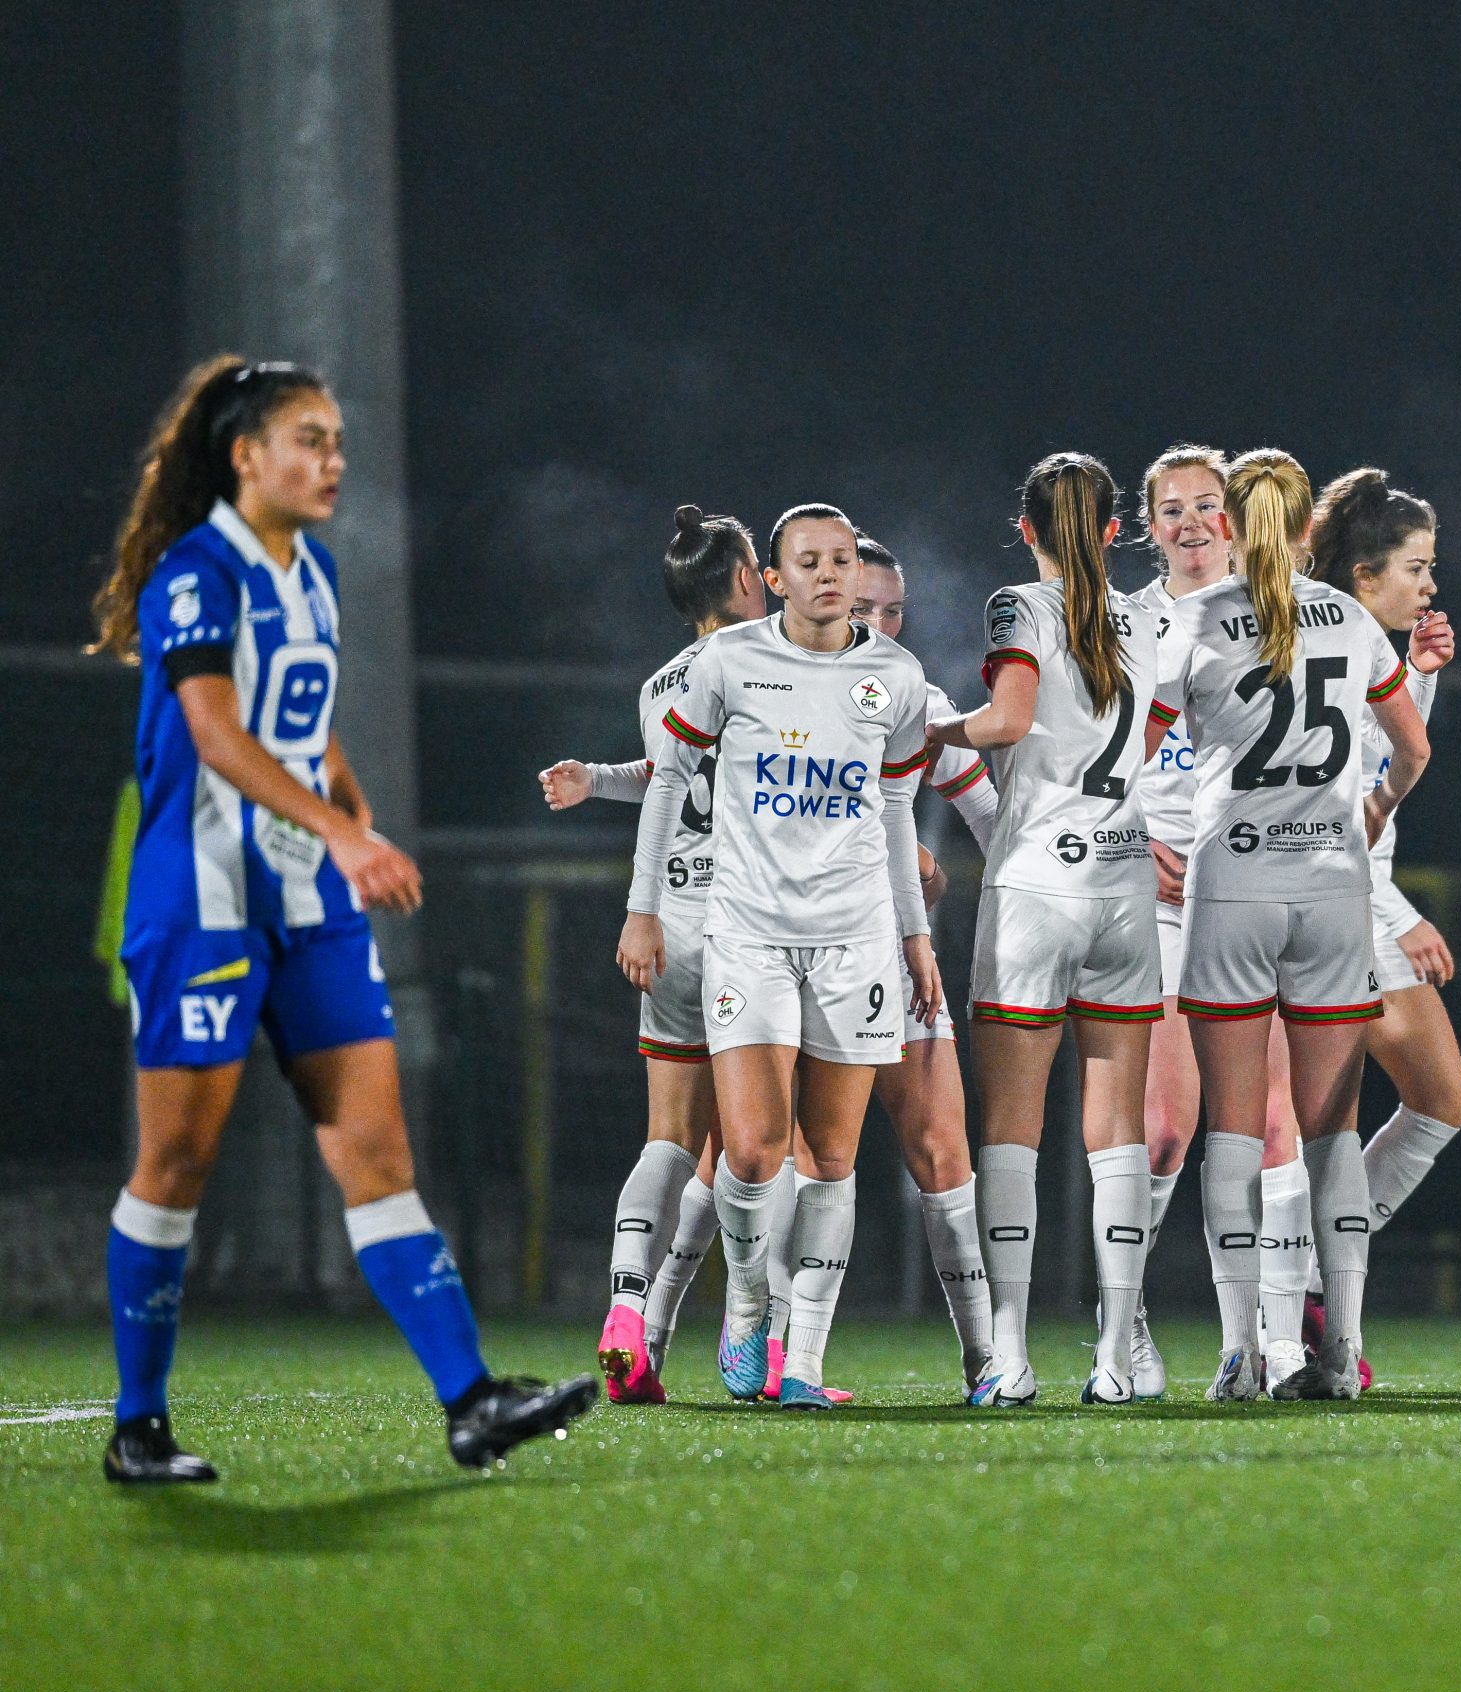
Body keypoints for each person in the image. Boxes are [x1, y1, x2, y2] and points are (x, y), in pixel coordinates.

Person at [89, 354, 596, 1480]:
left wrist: (354, 816)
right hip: (204, 904)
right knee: (176, 1163)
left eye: (336, 441)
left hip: (309, 906)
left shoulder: (308, 573)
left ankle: (470, 1402)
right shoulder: (196, 571)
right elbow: (217, 732)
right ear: (245, 456)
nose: (333, 461)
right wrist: (344, 832)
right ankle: (138, 1427)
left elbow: (300, 718)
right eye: (309, 440)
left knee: (378, 1153)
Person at [619, 504, 936, 1410]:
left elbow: (896, 811)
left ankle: (803, 1365)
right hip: (748, 937)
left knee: (831, 1157)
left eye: (840, 559)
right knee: (754, 1155)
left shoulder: (896, 678)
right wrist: (644, 912)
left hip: (857, 943)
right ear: (776, 576)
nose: (830, 575)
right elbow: (669, 779)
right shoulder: (730, 662)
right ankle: (750, 1300)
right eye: (809, 561)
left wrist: (914, 938)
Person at [1149, 448, 1431, 1400]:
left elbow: (1133, 750)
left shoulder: (1194, 618)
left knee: (1231, 1131)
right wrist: (1375, 808)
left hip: (1230, 882)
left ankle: (1241, 1352)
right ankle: (1341, 1356)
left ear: (1229, 523)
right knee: (1329, 1132)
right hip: (1331, 885)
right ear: (1310, 529)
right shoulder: (1350, 618)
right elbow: (1413, 745)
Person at [921, 455, 1162, 1408]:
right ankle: (1115, 1358)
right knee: (1119, 1139)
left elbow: (1008, 719)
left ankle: (1011, 1356)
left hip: (1036, 883)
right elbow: (1154, 734)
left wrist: (929, 726)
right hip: (1126, 879)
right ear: (1113, 532)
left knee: (1012, 1132)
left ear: (1026, 529)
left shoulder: (1021, 604)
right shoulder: (1148, 616)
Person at [537, 506, 764, 1404]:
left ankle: (631, 1313)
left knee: (672, 1139)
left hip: (672, 923)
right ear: (746, 576)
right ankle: (764, 1344)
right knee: (764, 1149)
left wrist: (595, 781)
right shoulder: (770, 663)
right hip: (754, 927)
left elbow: (669, 781)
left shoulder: (661, 680)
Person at [1131, 447, 1316, 1386]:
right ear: (1148, 524)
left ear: (1238, 522)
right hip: (1159, 905)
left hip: (1255, 884)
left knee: (1273, 1121)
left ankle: (1270, 1342)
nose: (1194, 522)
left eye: (1211, 505)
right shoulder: (1127, 627)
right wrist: (1131, 844)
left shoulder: (1279, 617)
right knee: (1167, 1128)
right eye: (1174, 509)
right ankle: (1124, 1325)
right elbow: (1084, 763)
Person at [1306, 470, 1461, 1255]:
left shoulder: (1364, 647)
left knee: (1440, 1100)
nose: (1431, 584)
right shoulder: (1326, 650)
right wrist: (1401, 918)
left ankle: (1316, 1274)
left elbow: (1387, 773)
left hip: (1358, 897)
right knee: (1302, 1126)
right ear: (1365, 575)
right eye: (1417, 567)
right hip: (1325, 903)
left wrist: (1419, 679)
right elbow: (1328, 817)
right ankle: (1287, 1304)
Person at [863, 535, 1009, 1400]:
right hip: (788, 954)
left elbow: (994, 820)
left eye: (893, 611)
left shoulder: (920, 701)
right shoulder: (770, 690)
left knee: (942, 1144)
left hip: (897, 953)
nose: (880, 624)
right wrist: (897, 852)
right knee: (771, 1154)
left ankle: (984, 1355)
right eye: (862, 609)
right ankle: (755, 1350)